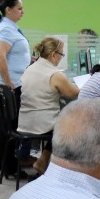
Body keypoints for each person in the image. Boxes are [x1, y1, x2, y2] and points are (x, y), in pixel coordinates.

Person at [18, 38, 79, 172]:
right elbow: (74, 93)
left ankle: (44, 159)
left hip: (25, 121)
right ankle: (56, 165)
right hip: (43, 123)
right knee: (72, 125)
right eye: (61, 54)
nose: (61, 58)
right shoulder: (54, 74)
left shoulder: (30, 69)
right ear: (53, 55)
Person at [0, 0, 30, 93]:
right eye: (19, 9)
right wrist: (8, 83)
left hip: (15, 82)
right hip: (12, 84)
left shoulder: (9, 27)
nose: (23, 12)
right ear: (8, 10)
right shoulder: (6, 30)